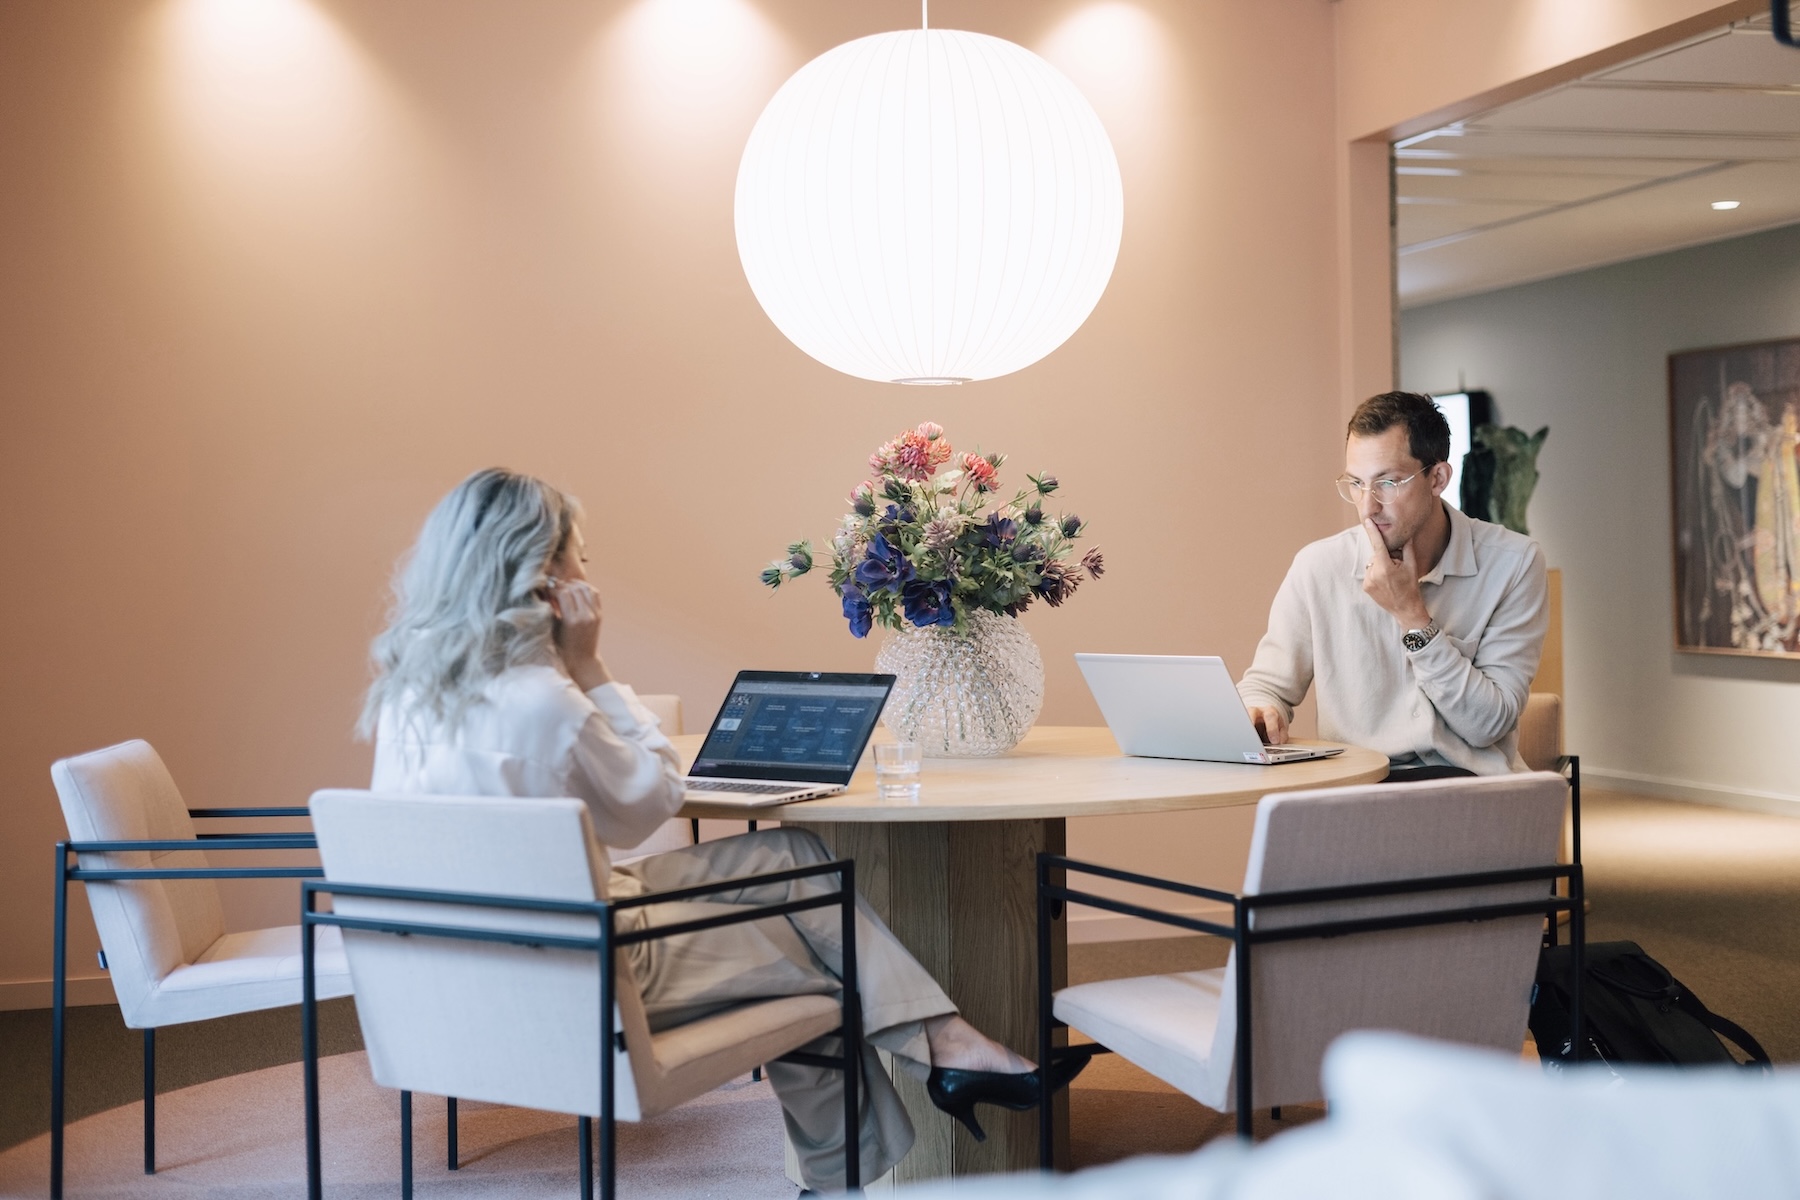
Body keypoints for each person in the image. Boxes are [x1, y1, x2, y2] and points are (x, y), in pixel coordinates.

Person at [361, 468, 1085, 1191]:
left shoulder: (411, 694)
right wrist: (592, 665)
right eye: (581, 555)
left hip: (467, 957)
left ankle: (948, 1052)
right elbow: (649, 805)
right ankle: (922, 1080)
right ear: (546, 575)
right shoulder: (547, 701)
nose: (588, 572)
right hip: (583, 964)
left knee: (792, 855)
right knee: (825, 959)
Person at [1238, 392, 1549, 780]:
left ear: (1437, 478)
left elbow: (1488, 725)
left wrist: (1412, 616)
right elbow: (1266, 687)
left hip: (1469, 787)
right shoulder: (1318, 568)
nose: (1367, 506)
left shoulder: (1514, 563)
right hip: (1359, 787)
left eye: (1387, 482)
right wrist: (1260, 708)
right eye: (1356, 483)